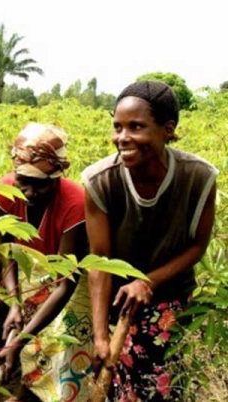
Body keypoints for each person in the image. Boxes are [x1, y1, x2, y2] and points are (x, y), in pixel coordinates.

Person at [82, 81, 217, 401]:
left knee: (166, 390)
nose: (122, 137)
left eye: (136, 127)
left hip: (170, 300)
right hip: (115, 304)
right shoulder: (99, 180)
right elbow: (99, 262)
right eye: (117, 127)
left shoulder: (198, 177)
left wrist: (148, 282)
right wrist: (101, 336)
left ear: (167, 130)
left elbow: (197, 246)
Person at [0, 123, 91, 401]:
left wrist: (21, 340)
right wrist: (13, 302)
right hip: (26, 273)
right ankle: (22, 394)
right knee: (21, 340)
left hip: (67, 281)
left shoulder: (75, 203)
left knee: (59, 347)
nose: (31, 193)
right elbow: (7, 252)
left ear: (57, 178)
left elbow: (64, 284)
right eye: (25, 182)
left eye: (41, 185)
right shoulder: (4, 191)